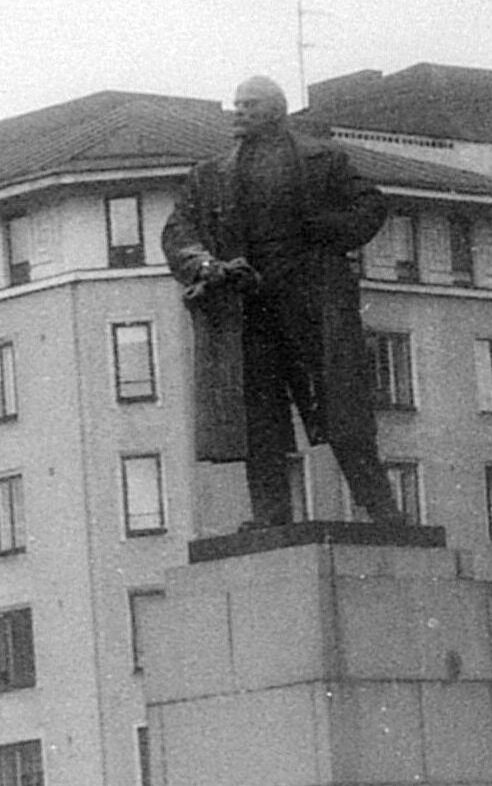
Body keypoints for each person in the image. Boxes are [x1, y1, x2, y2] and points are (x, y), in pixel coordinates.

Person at [160, 73, 408, 531]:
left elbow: (370, 207)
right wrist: (209, 266)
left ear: (276, 109)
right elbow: (179, 233)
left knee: (344, 412)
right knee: (260, 418)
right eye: (237, 103)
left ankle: (383, 511)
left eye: (250, 104)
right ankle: (271, 515)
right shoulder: (209, 175)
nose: (240, 111)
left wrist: (324, 229)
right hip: (249, 309)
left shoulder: (323, 160)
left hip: (312, 305)